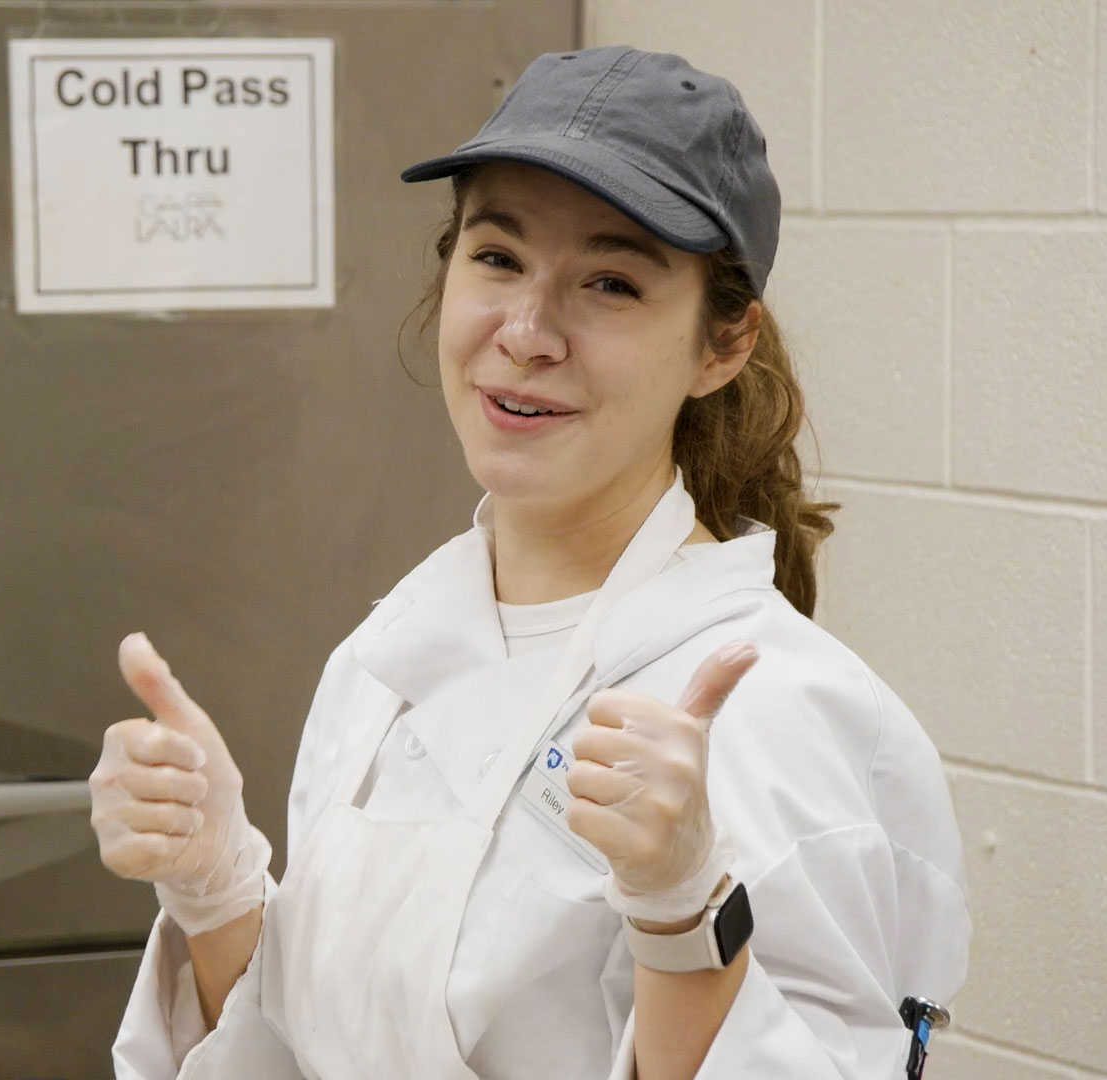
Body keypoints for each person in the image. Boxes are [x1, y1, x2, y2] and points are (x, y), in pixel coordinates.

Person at [89, 46, 969, 1079]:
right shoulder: (385, 666)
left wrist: (688, 920)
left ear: (720, 347)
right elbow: (304, 1056)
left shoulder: (783, 717)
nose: (526, 332)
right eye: (498, 258)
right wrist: (216, 888)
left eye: (610, 282)